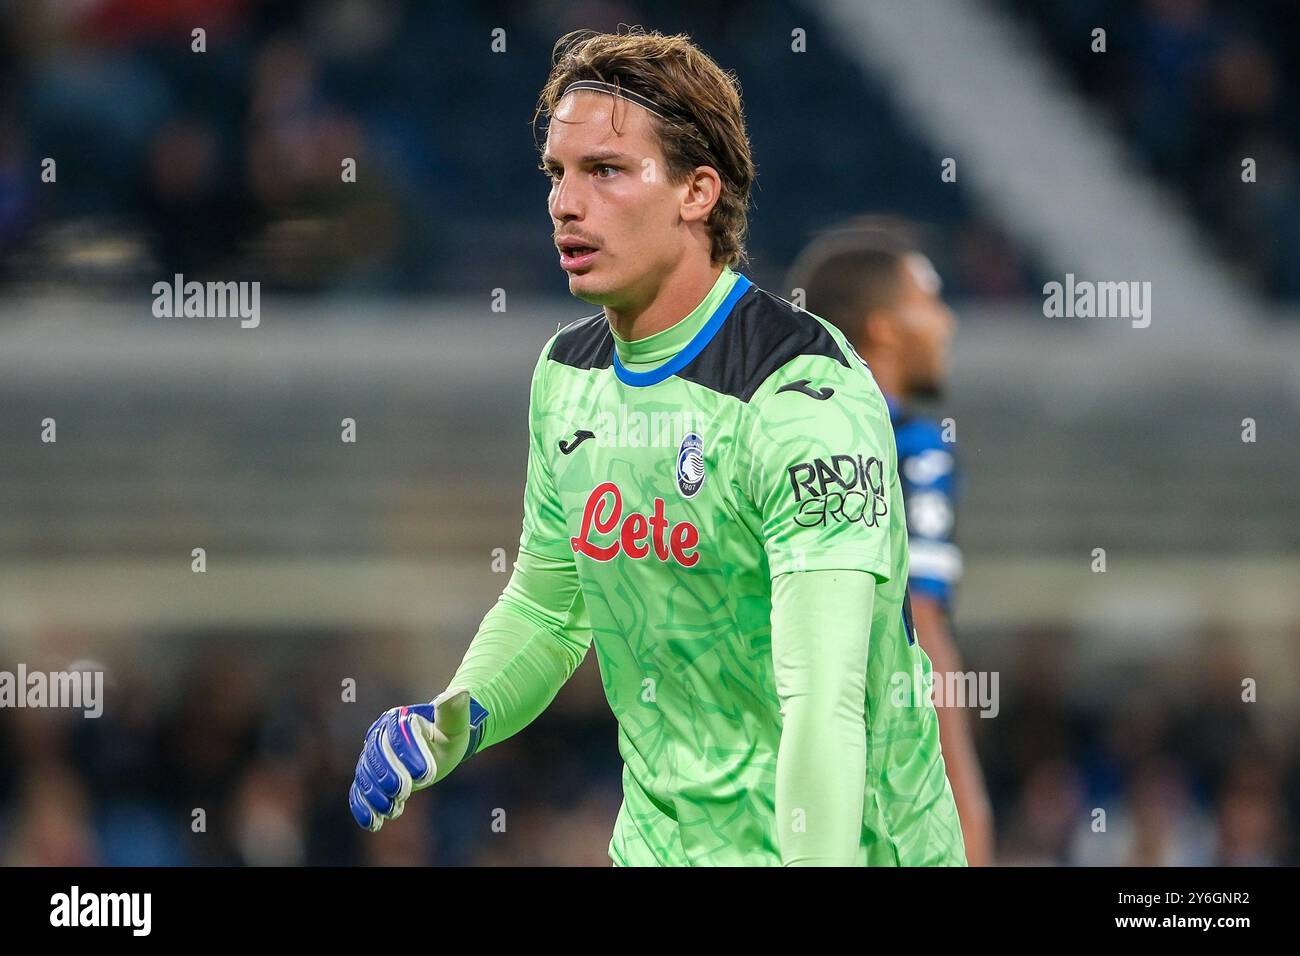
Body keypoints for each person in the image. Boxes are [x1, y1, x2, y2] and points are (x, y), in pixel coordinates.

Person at [349, 27, 965, 867]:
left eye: (604, 171)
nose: (567, 202)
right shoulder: (569, 375)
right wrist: (450, 721)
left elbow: (826, 698)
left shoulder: (802, 395)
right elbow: (546, 609)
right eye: (557, 174)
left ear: (697, 192)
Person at [787, 221, 994, 864]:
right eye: (928, 302)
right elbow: (920, 624)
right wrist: (964, 812)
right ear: (883, 328)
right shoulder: (909, 446)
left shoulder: (767, 432)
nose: (946, 324)